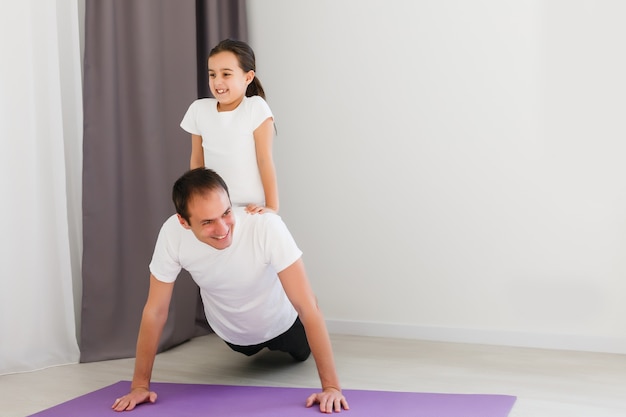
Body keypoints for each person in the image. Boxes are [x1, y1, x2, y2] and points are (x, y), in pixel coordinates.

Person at [112, 168, 349, 414]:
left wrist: (331, 387)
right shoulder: (172, 234)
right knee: (245, 350)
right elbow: (155, 311)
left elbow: (307, 306)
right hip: (231, 334)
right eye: (207, 222)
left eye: (226, 213)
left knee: (300, 347)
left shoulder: (265, 226)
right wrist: (139, 385)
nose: (223, 227)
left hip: (283, 324)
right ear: (183, 221)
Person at [180, 39, 278, 215]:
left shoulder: (255, 108)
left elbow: (264, 159)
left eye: (226, 74)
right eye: (212, 74)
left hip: (250, 208)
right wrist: (197, 203)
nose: (217, 82)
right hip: (215, 209)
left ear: (248, 77)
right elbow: (197, 161)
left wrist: (271, 207)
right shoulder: (198, 110)